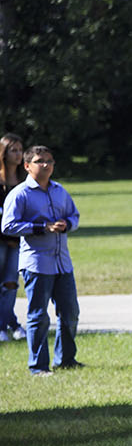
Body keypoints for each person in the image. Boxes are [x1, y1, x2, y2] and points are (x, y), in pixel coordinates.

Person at [2, 146, 81, 375]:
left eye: (49, 161)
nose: (46, 165)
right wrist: (41, 227)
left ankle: (65, 360)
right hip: (36, 264)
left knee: (70, 313)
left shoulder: (60, 191)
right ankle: (38, 366)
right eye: (39, 161)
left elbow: (74, 215)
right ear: (27, 166)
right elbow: (7, 225)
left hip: (62, 263)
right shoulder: (20, 193)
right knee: (38, 316)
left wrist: (67, 224)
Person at [1, 133, 26, 340]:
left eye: (20, 150)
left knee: (11, 283)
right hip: (0, 240)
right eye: (13, 150)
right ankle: (10, 325)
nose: (18, 154)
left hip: (18, 240)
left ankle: (6, 324)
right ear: (3, 153)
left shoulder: (24, 182)